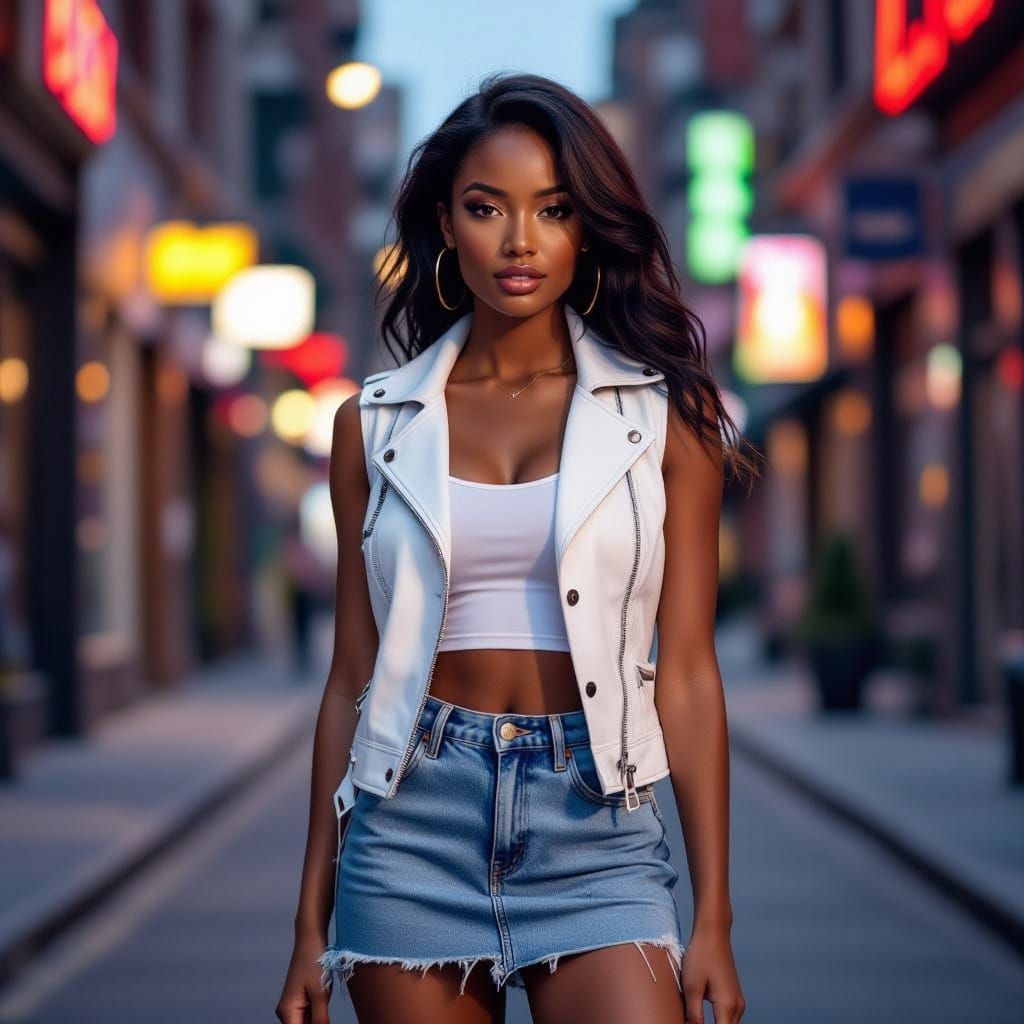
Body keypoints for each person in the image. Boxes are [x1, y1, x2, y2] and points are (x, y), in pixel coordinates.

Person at [276, 72, 758, 1024]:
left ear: (590, 228)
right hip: (411, 819)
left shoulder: (666, 426)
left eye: (555, 208)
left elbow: (692, 676)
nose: (522, 240)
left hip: (597, 823)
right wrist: (307, 921)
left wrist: (715, 919)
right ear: (446, 225)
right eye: (487, 208)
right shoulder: (371, 427)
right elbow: (350, 678)